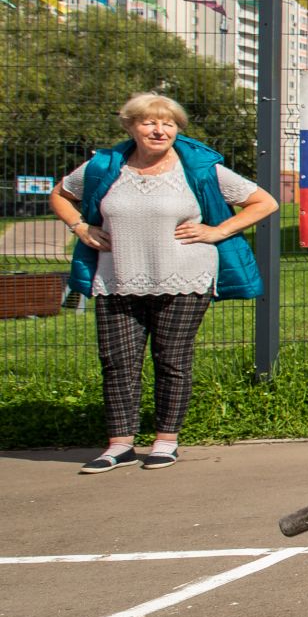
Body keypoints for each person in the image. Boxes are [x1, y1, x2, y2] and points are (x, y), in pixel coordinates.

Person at [49, 92, 277, 473]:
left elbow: (264, 202)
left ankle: (165, 440)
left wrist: (217, 231)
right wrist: (80, 225)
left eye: (168, 123)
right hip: (117, 278)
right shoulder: (103, 166)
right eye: (149, 122)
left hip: (184, 278)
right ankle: (119, 444)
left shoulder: (199, 168)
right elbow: (60, 195)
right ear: (130, 126)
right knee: (117, 361)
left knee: (172, 360)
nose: (159, 130)